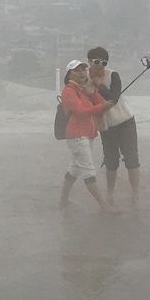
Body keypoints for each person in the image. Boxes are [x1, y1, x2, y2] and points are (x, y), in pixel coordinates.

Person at [59, 60, 117, 213]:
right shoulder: (69, 91)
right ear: (70, 73)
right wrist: (102, 106)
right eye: (77, 70)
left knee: (75, 168)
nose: (82, 73)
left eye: (84, 70)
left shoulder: (83, 89)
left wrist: (94, 91)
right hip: (77, 136)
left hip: (86, 134)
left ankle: (63, 200)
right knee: (88, 170)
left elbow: (101, 103)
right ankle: (103, 205)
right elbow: (81, 112)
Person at [88, 46, 141, 207]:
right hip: (107, 126)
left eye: (104, 62)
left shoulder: (113, 75)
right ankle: (110, 194)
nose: (100, 65)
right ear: (89, 61)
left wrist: (100, 84)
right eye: (96, 61)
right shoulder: (84, 79)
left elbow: (113, 99)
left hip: (126, 121)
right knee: (111, 161)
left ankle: (135, 194)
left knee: (131, 158)